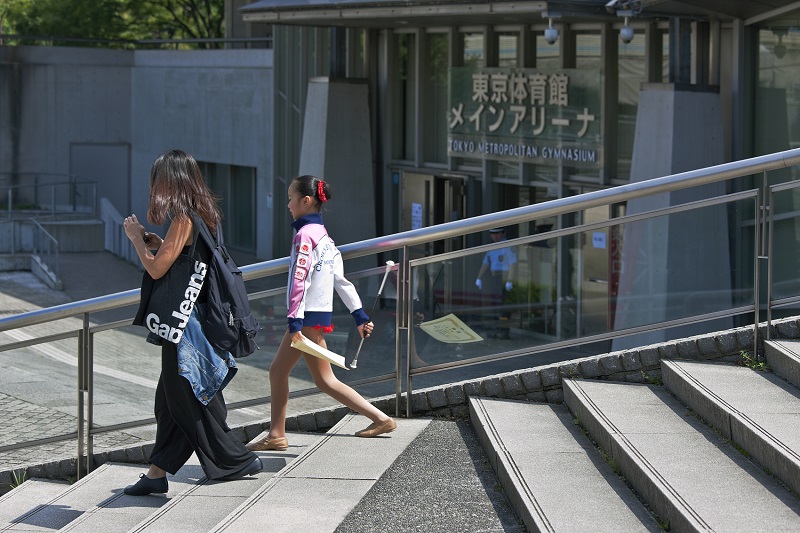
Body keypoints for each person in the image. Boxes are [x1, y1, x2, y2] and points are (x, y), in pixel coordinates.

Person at [122, 149, 262, 496]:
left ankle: (235, 459)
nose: (154, 188)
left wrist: (137, 238)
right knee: (170, 400)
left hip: (185, 327)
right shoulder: (203, 214)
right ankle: (156, 473)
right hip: (193, 323)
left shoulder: (184, 219)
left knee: (186, 399)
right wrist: (159, 243)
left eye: (157, 181)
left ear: (170, 183)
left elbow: (157, 269)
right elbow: (186, 258)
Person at [246, 175, 396, 451]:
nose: (288, 204)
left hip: (304, 319)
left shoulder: (304, 236)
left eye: (290, 198)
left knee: (281, 373)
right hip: (315, 318)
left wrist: (294, 321)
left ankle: (277, 435)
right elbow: (341, 281)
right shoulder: (326, 239)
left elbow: (299, 280)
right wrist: (359, 316)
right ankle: (380, 418)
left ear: (305, 201)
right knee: (322, 379)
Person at [475, 227, 517, 339]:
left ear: (503, 233)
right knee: (493, 304)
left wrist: (509, 280)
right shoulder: (491, 247)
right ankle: (494, 329)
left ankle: (504, 331)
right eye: (492, 234)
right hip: (493, 277)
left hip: (503, 277)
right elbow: (486, 263)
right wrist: (479, 278)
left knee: (503, 306)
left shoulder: (508, 246)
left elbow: (513, 264)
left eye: (497, 233)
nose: (495, 236)